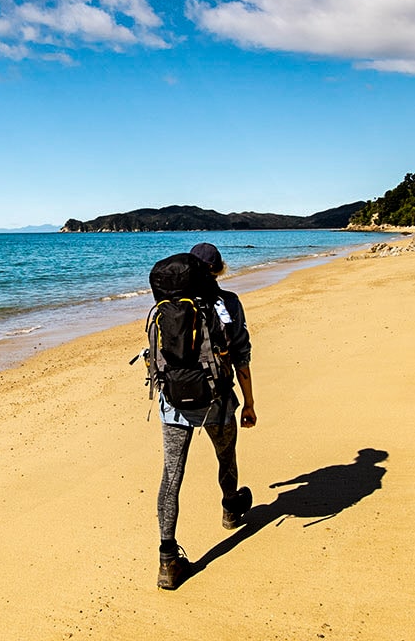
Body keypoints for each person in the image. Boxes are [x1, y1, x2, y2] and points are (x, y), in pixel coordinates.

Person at [156, 242, 257, 590]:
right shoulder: (228, 302)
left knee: (171, 476)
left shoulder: (168, 305)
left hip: (173, 402)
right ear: (219, 269)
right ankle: (231, 508)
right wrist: (249, 403)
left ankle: (168, 560)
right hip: (217, 399)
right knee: (225, 456)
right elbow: (241, 355)